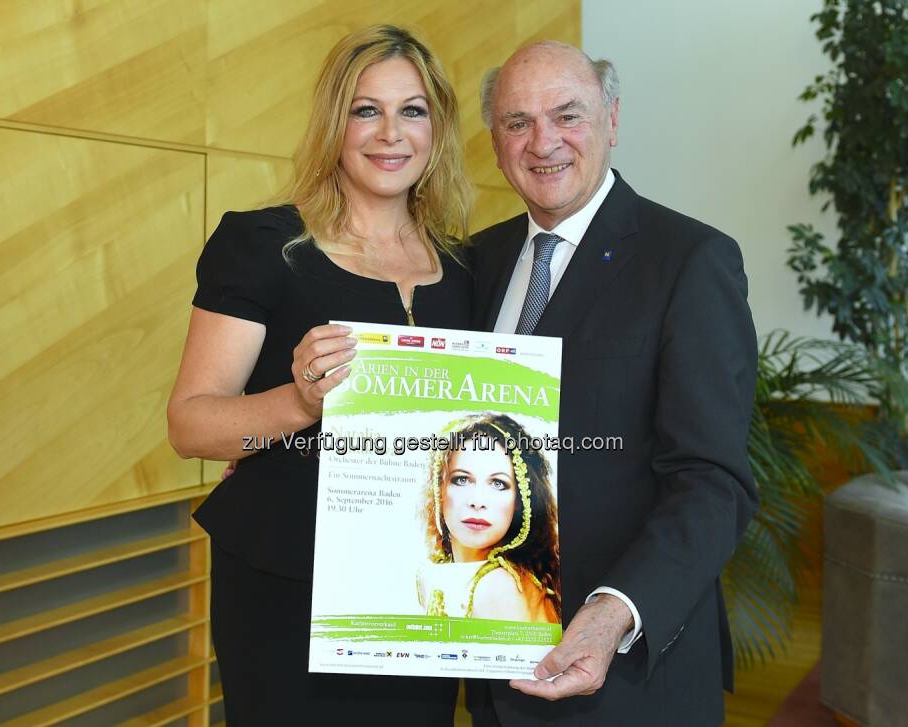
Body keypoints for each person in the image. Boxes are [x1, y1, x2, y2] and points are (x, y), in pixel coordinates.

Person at [166, 25, 473, 725]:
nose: (389, 133)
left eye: (412, 110)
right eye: (366, 109)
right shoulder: (265, 245)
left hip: (425, 593)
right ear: (335, 122)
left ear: (438, 128)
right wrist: (299, 402)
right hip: (284, 586)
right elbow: (189, 424)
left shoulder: (468, 270)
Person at [466, 41, 758, 726]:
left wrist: (613, 610)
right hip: (494, 665)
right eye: (517, 122)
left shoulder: (689, 261)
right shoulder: (474, 261)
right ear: (495, 138)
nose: (544, 142)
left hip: (628, 676)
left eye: (568, 114)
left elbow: (713, 481)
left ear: (612, 119)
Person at [416, 413, 560, 624]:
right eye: (462, 479)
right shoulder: (435, 573)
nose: (477, 501)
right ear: (438, 488)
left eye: (498, 483)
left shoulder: (499, 586)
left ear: (520, 501)